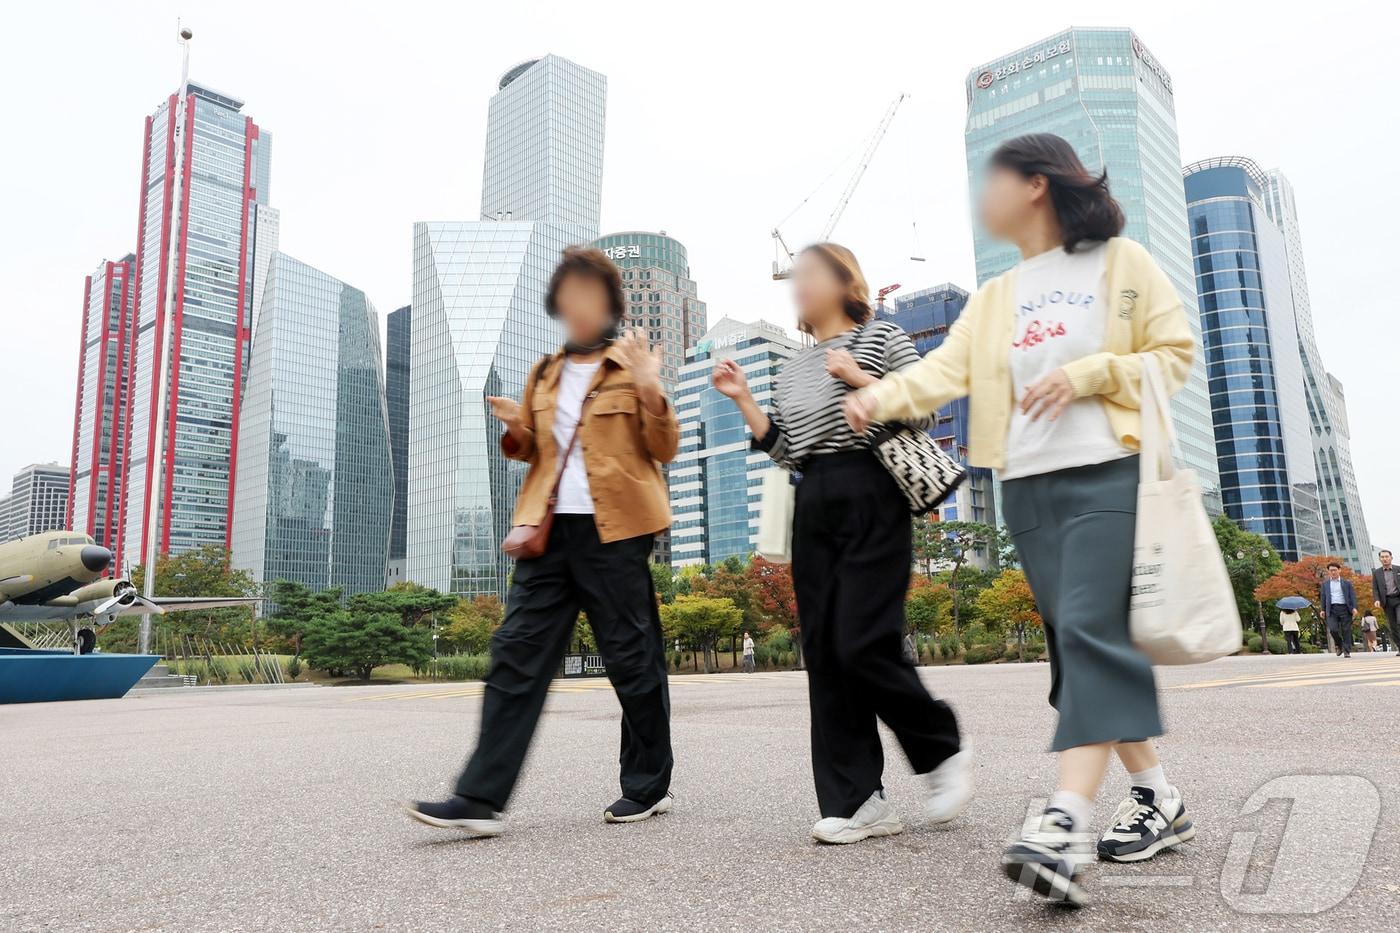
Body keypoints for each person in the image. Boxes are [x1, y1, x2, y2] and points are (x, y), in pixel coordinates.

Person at [844, 133, 1197, 906]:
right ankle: (1161, 797)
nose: (981, 195)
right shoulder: (998, 295)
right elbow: (944, 371)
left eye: (991, 180)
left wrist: (1092, 372)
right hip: (1026, 488)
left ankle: (1063, 824)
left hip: (1108, 470)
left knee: (1090, 633)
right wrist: (878, 393)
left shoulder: (1120, 264)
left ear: (1036, 184)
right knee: (1080, 646)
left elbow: (1174, 356)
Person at [406, 247, 678, 835]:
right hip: (548, 532)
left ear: (609, 300)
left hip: (617, 531)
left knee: (633, 664)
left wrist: (652, 389)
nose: (578, 303)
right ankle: (479, 800)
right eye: (569, 293)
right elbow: (535, 449)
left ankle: (649, 784)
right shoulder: (546, 371)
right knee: (515, 655)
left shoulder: (630, 362)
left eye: (590, 291)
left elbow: (663, 446)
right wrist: (517, 427)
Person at [712, 242, 971, 846]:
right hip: (815, 499)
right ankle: (857, 800)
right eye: (794, 277)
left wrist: (861, 379)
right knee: (826, 652)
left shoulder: (882, 337)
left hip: (872, 486)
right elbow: (786, 451)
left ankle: (940, 751)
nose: (798, 285)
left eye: (809, 274)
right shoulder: (793, 367)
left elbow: (924, 409)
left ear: (843, 279)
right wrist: (744, 400)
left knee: (864, 639)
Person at [1319, 562, 1357, 658]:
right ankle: (1339, 644)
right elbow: (1323, 597)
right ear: (1328, 571)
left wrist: (1354, 608)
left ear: (1339, 570)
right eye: (1331, 570)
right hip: (1331, 609)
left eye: (1335, 570)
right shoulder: (1325, 584)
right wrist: (1322, 610)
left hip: (1345, 608)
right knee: (1333, 629)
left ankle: (1347, 650)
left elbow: (1352, 596)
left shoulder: (1347, 583)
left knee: (1346, 630)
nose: (1333, 572)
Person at [1372, 550, 1400, 655]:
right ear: (1380, 559)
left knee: (1399, 621)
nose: (1385, 559)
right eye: (1382, 557)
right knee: (1392, 626)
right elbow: (1375, 588)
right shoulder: (1377, 573)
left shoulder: (1398, 569)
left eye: (1386, 556)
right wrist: (1377, 600)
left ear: (1391, 557)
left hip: (1398, 599)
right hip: (1387, 601)